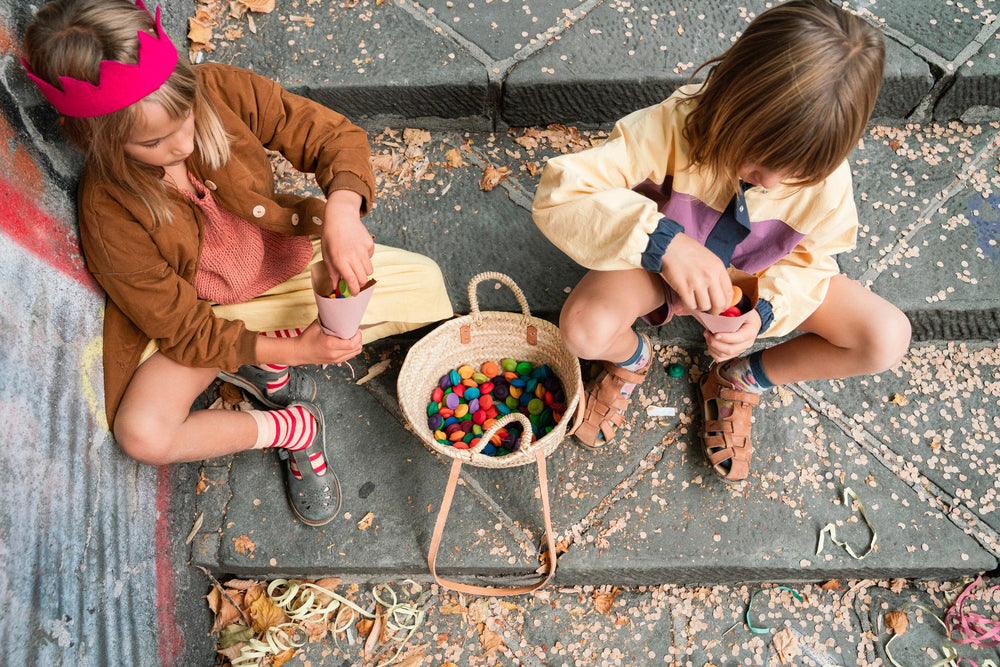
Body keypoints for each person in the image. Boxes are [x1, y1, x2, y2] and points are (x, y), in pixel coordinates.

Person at [22, 0, 453, 524]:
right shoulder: (108, 211)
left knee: (428, 283)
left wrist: (343, 211)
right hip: (208, 315)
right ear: (97, 138)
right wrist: (298, 351)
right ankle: (292, 426)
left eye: (185, 119)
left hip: (287, 264)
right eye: (154, 142)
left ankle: (272, 360)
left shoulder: (219, 89)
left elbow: (332, 136)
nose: (182, 145)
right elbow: (182, 328)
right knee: (143, 434)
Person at [532, 0, 910, 482]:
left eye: (796, 171)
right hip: (655, 272)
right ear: (730, 100)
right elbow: (561, 192)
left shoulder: (825, 179)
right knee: (583, 329)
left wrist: (765, 311)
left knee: (886, 338)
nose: (772, 183)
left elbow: (815, 263)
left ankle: (740, 377)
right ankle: (631, 358)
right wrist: (662, 243)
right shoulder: (671, 126)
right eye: (756, 159)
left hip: (756, 281)